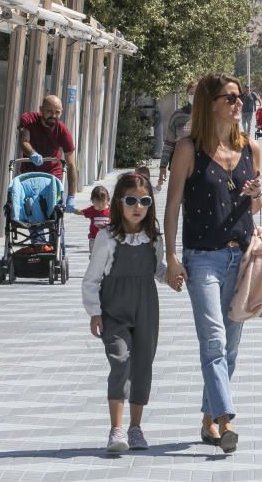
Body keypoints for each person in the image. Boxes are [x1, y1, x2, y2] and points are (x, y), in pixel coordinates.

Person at [164, 72, 262, 454]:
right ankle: (225, 421)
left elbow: (253, 207)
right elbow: (173, 205)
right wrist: (171, 256)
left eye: (240, 98)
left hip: (243, 257)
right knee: (214, 340)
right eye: (232, 98)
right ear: (212, 103)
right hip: (202, 258)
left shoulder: (251, 149)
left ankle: (207, 420)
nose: (240, 103)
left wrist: (256, 194)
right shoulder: (189, 149)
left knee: (231, 346)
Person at [82, 172, 182, 452]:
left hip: (147, 310)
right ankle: (116, 429)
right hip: (114, 310)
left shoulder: (153, 238)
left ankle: (135, 428)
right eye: (131, 201)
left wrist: (171, 278)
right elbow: (92, 279)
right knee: (119, 359)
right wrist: (94, 311)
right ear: (118, 203)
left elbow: (157, 269)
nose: (138, 207)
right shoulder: (107, 238)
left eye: (145, 201)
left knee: (142, 367)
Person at [19, 95, 78, 211]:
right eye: (49, 111)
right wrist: (32, 154)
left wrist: (71, 195)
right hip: (30, 172)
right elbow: (24, 141)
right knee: (29, 206)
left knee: (52, 206)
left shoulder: (63, 132)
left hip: (52, 174)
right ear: (41, 110)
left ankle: (57, 222)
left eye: (57, 112)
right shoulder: (29, 120)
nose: (53, 116)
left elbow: (71, 165)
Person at [158, 81, 197, 190]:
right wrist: (162, 167)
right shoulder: (178, 115)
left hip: (202, 167)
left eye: (197, 93)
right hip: (180, 166)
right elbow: (169, 143)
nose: (193, 96)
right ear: (187, 94)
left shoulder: (210, 116)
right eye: (191, 93)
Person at [73, 185, 111, 254]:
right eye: (97, 204)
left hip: (108, 239)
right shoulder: (92, 210)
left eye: (103, 203)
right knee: (94, 256)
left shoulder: (111, 210)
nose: (100, 206)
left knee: (108, 256)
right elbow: (81, 212)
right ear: (92, 201)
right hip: (94, 239)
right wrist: (72, 209)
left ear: (108, 200)